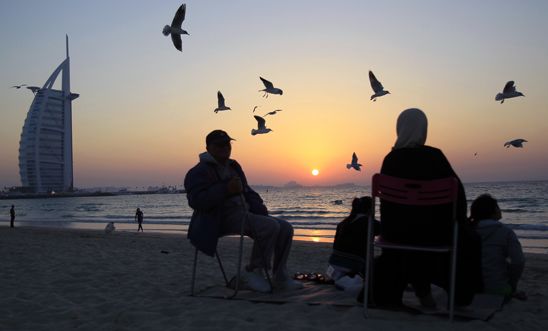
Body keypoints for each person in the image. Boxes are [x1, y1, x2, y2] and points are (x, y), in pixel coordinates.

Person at [372, 108, 482, 307]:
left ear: (399, 129)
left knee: (410, 243)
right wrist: (459, 222)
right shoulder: (435, 157)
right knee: (469, 240)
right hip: (436, 234)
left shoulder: (390, 160)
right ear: (424, 130)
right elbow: (458, 194)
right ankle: (459, 297)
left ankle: (423, 293)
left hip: (396, 234)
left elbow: (387, 206)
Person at [184, 129, 302, 293]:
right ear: (208, 147)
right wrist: (226, 189)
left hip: (243, 214)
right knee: (269, 227)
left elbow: (247, 191)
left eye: (228, 144)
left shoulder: (233, 166)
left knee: (285, 227)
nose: (225, 147)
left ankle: (280, 275)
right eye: (220, 145)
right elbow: (197, 201)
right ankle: (253, 272)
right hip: (217, 219)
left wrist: (261, 210)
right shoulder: (198, 171)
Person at [469, 194, 526, 300]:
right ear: (493, 210)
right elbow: (519, 261)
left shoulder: (465, 231)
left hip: (467, 289)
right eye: (498, 207)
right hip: (496, 289)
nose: (500, 210)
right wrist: (512, 284)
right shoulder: (505, 232)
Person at [327, 196, 380, 281]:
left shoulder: (343, 223)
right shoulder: (370, 223)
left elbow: (335, 246)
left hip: (333, 266)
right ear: (370, 209)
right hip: (353, 267)